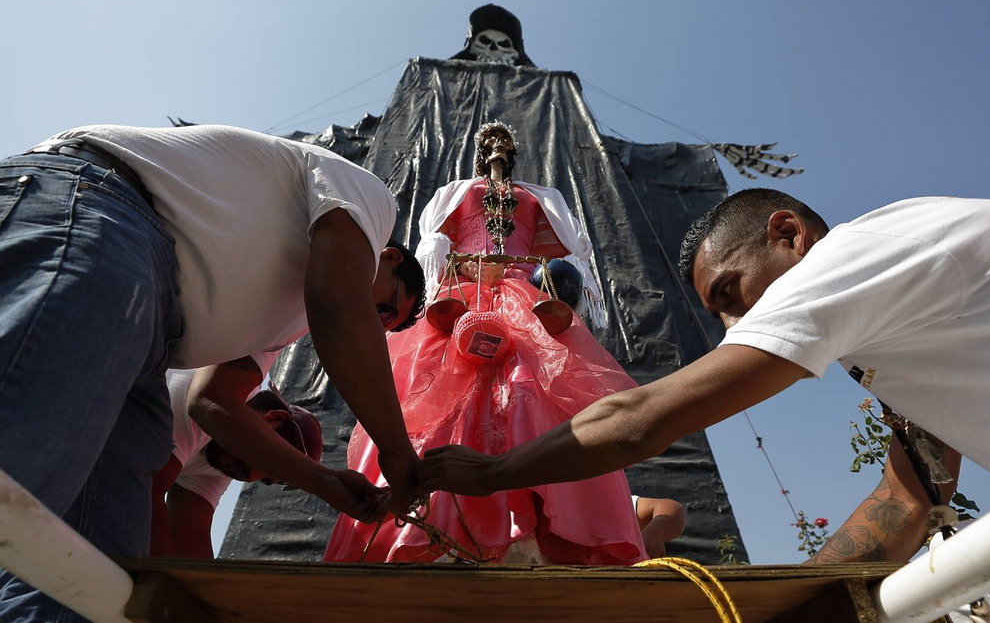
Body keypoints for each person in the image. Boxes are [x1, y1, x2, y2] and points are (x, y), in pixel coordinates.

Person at [418, 188, 990, 565]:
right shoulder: (893, 328)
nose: (733, 326)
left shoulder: (852, 257)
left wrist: (494, 471)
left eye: (729, 292)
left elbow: (638, 419)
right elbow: (908, 497)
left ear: (789, 234)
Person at [0, 124, 425, 622]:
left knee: (95, 576)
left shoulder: (275, 324)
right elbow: (339, 304)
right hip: (104, 209)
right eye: (385, 310)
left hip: (152, 342)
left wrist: (324, 483)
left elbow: (215, 402)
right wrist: (397, 454)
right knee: (18, 465)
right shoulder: (369, 198)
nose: (373, 323)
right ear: (389, 256)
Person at [325, 121, 646, 565]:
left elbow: (564, 256)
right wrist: (453, 277)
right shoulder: (457, 193)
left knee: (528, 388)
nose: (498, 149)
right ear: (480, 150)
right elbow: (435, 247)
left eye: (504, 143)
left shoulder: (539, 198)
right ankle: (438, 527)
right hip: (463, 291)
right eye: (491, 143)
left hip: (523, 292)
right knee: (446, 395)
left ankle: (534, 527)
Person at [151, 367, 323, 558]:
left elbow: (189, 536)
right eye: (267, 462)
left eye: (265, 479)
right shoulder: (206, 404)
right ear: (275, 418)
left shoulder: (228, 453)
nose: (251, 477)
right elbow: (143, 496)